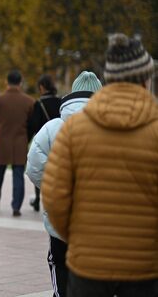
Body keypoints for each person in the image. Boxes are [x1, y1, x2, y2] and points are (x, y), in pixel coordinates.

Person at [42, 33, 158, 297]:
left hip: (88, 264)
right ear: (144, 79)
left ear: (111, 79)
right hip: (144, 266)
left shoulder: (75, 130)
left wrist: (79, 237)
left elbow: (54, 197)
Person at [26, 71, 102, 297]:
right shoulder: (112, 127)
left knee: (59, 265)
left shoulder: (52, 128)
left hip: (60, 218)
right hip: (99, 221)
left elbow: (34, 167)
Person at [0, 69, 34, 216]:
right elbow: (33, 122)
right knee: (18, 175)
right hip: (20, 142)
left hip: (2, 142)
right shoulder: (29, 101)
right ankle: (16, 206)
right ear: (20, 82)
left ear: (7, 82)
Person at [27, 74, 61, 211]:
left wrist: (28, 139)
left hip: (44, 141)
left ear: (41, 87)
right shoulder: (60, 102)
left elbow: (33, 124)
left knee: (41, 167)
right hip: (59, 139)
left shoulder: (39, 104)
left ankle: (38, 199)